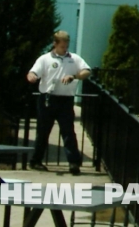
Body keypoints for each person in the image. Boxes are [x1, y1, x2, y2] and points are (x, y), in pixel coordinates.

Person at [26, 31, 91, 175]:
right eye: (62, 46)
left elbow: (87, 71)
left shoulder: (74, 59)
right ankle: (36, 161)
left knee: (68, 131)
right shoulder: (44, 59)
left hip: (66, 100)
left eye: (66, 46)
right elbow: (33, 72)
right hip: (48, 99)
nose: (65, 49)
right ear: (55, 44)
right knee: (43, 131)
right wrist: (32, 76)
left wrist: (74, 76)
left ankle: (74, 163)